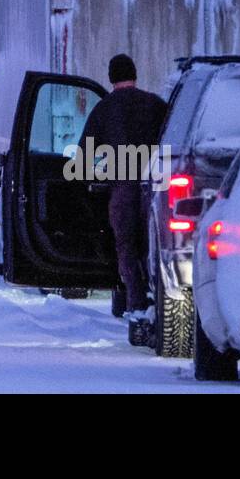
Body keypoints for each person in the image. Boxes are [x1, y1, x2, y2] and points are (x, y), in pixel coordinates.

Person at [82, 53, 168, 345]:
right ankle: (162, 302)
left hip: (123, 190)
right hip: (156, 189)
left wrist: (95, 175)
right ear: (135, 74)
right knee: (155, 248)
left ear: (110, 77)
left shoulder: (103, 109)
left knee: (127, 249)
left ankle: (137, 307)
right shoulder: (156, 105)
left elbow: (84, 154)